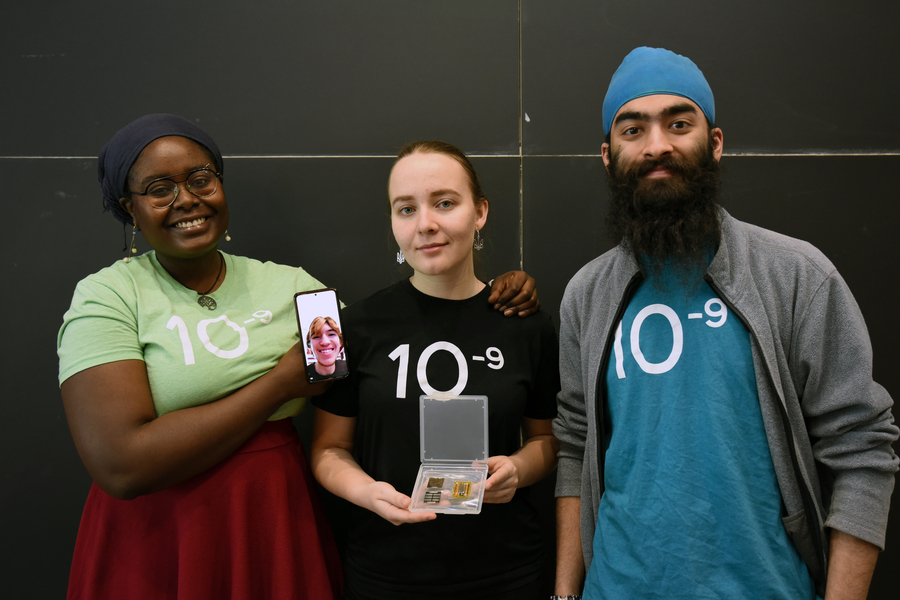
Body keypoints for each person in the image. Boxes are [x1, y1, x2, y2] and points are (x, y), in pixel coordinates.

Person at [57, 114, 540, 600]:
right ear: (130, 209)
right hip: (160, 535)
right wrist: (280, 383)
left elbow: (390, 343)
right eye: (160, 188)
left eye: (200, 179)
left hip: (270, 521)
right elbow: (120, 464)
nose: (186, 199)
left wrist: (498, 297)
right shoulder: (108, 296)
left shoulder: (294, 288)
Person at [552, 47, 898, 600]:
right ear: (607, 154)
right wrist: (565, 593)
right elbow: (575, 444)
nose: (657, 145)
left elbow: (863, 450)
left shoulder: (798, 277)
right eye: (633, 129)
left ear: (714, 143)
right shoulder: (586, 295)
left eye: (679, 123)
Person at [310, 140, 561, 600]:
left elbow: (547, 441)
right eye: (406, 209)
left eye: (445, 203)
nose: (425, 224)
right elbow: (328, 450)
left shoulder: (526, 325)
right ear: (392, 221)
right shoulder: (357, 326)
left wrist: (518, 470)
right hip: (387, 572)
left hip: (506, 570)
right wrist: (368, 493)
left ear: (479, 212)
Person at [306, 315, 348, 381]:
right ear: (309, 345)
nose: (325, 342)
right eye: (316, 337)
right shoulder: (303, 375)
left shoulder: (350, 367)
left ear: (340, 342)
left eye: (331, 334)